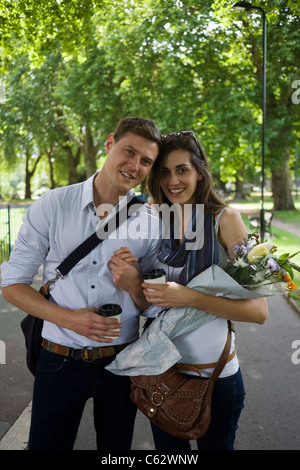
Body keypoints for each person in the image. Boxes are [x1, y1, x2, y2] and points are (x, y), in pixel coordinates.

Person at [1, 117, 162, 450]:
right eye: (128, 151)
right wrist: (70, 319)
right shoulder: (54, 204)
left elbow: (153, 305)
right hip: (58, 359)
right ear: (108, 144)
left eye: (146, 161)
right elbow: (12, 284)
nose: (134, 165)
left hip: (122, 362)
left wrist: (134, 285)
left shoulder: (150, 222)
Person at [109, 130, 268, 451]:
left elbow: (259, 311)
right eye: (164, 172)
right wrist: (133, 284)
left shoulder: (225, 220)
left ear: (199, 171)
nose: (173, 180)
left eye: (182, 169)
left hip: (217, 377)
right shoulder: (152, 220)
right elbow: (149, 306)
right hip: (162, 375)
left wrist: (190, 297)